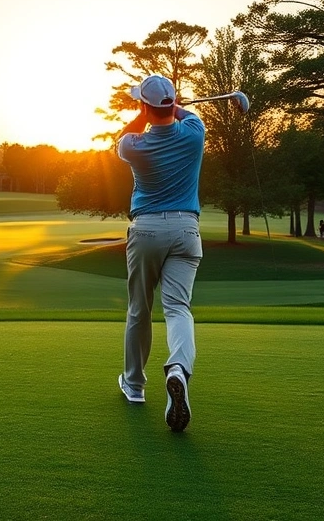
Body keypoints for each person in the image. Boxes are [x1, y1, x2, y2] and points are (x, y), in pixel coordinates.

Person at [115, 74, 205, 433]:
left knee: (140, 308)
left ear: (145, 107)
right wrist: (172, 104)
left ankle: (134, 386)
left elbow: (124, 136)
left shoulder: (133, 145)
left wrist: (145, 111)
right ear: (173, 103)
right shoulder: (195, 132)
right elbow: (184, 115)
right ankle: (179, 368)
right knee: (178, 309)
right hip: (186, 230)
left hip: (147, 229)